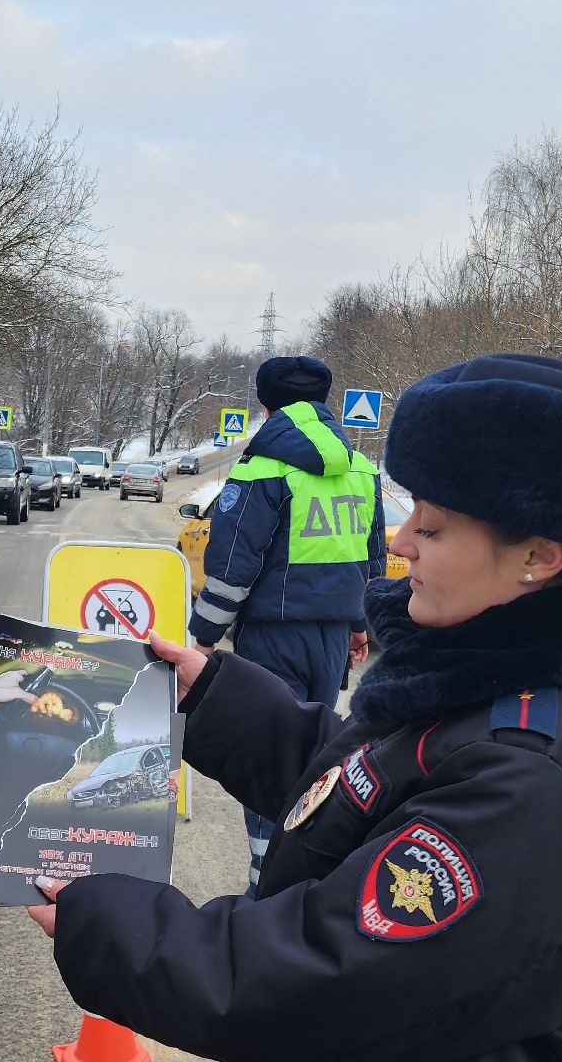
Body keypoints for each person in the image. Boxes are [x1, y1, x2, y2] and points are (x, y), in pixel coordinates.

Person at [25, 353, 562, 1061]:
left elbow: (329, 979)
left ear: (541, 556)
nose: (399, 543)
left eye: (432, 528)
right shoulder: (492, 675)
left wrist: (116, 928)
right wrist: (212, 696)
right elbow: (371, 789)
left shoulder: (528, 770)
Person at [189, 354, 385, 894]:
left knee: (269, 754)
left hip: (273, 638)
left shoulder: (262, 468)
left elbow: (233, 565)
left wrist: (203, 636)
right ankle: (302, 882)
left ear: (265, 404)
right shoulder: (361, 469)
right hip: (332, 638)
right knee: (317, 759)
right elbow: (370, 560)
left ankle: (265, 890)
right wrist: (360, 623)